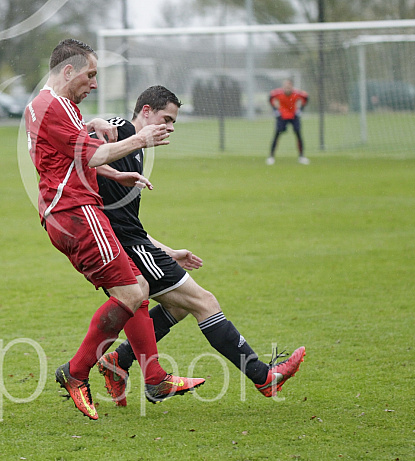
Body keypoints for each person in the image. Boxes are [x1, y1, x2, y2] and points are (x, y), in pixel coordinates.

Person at [25, 39, 204, 420]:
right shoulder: (52, 107)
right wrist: (140, 139)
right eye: (90, 75)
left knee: (134, 286)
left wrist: (114, 172)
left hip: (71, 210)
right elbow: (89, 153)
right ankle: (76, 371)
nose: (93, 83)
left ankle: (153, 376)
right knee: (133, 289)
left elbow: (75, 153)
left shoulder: (54, 105)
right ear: (68, 70)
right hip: (75, 211)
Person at [95, 85, 306, 406]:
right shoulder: (123, 129)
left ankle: (119, 361)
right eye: (166, 118)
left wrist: (168, 251)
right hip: (124, 248)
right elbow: (82, 139)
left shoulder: (134, 151)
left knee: (179, 305)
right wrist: (95, 120)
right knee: (204, 302)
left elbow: (128, 222)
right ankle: (265, 377)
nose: (170, 127)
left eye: (174, 121)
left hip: (130, 243)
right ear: (147, 111)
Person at [267, 78, 309, 165]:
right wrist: (275, 110)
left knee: (298, 134)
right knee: (277, 134)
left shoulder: (297, 93)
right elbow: (270, 98)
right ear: (283, 87)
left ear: (292, 87)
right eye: (285, 87)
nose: (287, 89)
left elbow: (306, 97)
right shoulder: (278, 93)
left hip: (293, 115)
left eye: (289, 87)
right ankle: (271, 156)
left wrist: (301, 109)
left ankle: (301, 156)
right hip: (282, 116)